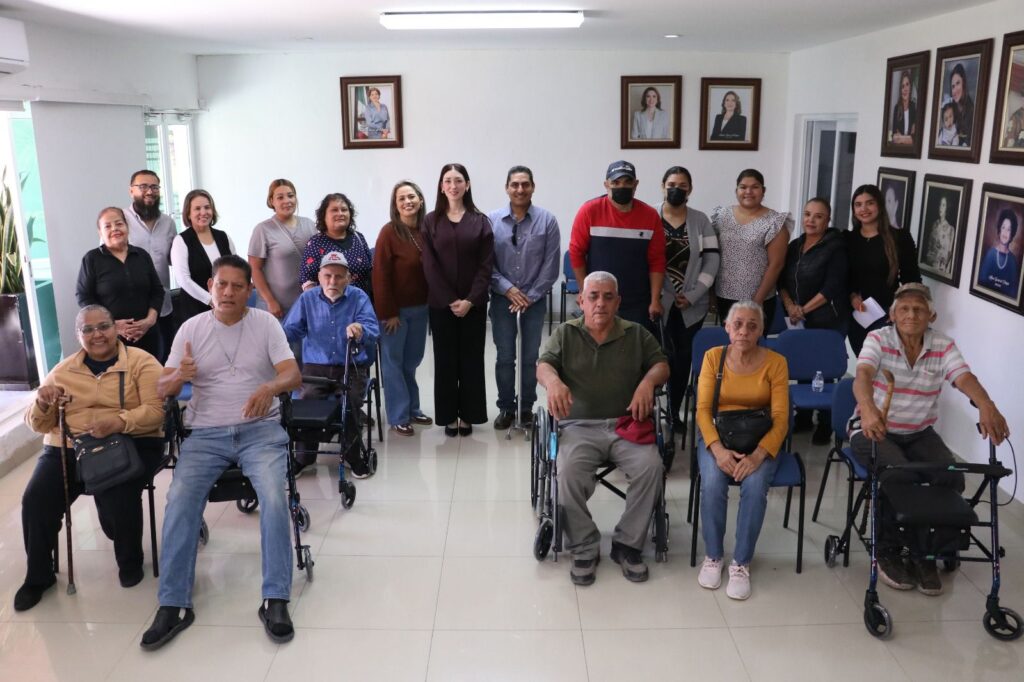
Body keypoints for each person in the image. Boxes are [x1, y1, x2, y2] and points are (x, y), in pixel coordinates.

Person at [141, 254, 301, 650]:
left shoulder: (265, 324)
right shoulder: (191, 329)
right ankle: (173, 604)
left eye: (237, 286)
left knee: (274, 498)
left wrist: (269, 387)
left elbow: (292, 374)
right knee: (179, 498)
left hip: (260, 431)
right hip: (206, 434)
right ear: (210, 287)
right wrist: (179, 376)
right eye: (221, 285)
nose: (227, 292)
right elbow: (162, 389)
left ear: (250, 291)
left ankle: (275, 598)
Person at [851, 283, 1008, 596]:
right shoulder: (878, 339)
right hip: (873, 429)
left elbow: (963, 377)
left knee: (950, 477)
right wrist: (867, 408)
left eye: (919, 309)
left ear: (931, 316)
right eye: (904, 309)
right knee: (898, 474)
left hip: (919, 432)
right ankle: (888, 550)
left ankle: (925, 552)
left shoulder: (942, 345)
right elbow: (863, 375)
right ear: (892, 315)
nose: (911, 315)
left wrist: (986, 404)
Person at [15, 305, 164, 612]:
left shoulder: (142, 362)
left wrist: (119, 422)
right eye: (88, 329)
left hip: (128, 442)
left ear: (116, 328)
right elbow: (37, 425)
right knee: (36, 499)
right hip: (67, 447)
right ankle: (39, 576)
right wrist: (42, 403)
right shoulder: (62, 371)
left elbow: (155, 412)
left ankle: (129, 561)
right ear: (78, 335)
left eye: (104, 326)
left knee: (118, 494)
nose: (97, 334)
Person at [536, 271, 669, 586]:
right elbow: (544, 365)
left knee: (651, 466)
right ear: (581, 301)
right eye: (593, 296)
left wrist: (647, 382)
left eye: (608, 297)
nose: (600, 303)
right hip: (578, 427)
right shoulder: (565, 334)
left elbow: (661, 365)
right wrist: (553, 381)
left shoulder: (636, 334)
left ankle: (627, 544)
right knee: (567, 471)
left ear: (618, 302)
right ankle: (584, 546)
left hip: (626, 425)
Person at [695, 301, 789, 601]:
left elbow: (781, 418)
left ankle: (741, 562)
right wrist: (718, 451)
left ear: (761, 330)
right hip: (718, 436)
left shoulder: (776, 362)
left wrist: (759, 455)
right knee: (712, 483)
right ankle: (713, 556)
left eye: (752, 325)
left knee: (756, 484)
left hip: (760, 439)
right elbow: (701, 411)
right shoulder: (713, 357)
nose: (744, 331)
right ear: (726, 327)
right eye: (737, 324)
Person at [283, 251, 379, 474]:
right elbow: (290, 330)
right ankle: (303, 458)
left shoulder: (359, 297)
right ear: (319, 276)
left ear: (348, 278)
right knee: (305, 401)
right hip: (315, 367)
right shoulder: (307, 298)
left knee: (349, 404)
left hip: (351, 365)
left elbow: (373, 330)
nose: (332, 281)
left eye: (338, 276)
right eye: (327, 276)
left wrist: (360, 329)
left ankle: (354, 456)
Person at [420, 163, 494, 436]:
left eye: (458, 180)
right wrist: (451, 300)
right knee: (445, 360)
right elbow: (429, 265)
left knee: (472, 360)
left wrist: (470, 300)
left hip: (474, 305)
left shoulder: (480, 221)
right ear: (441, 186)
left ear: (467, 185)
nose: (453, 185)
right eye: (448, 180)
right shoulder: (430, 221)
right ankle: (449, 415)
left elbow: (486, 265)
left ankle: (470, 415)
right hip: (441, 305)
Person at [488, 165, 560, 430]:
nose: (520, 189)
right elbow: (486, 263)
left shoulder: (547, 220)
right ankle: (507, 407)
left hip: (534, 301)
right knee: (505, 357)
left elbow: (551, 265)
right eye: (515, 184)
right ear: (507, 188)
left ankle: (526, 407)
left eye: (525, 184)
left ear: (533, 187)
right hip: (501, 300)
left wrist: (529, 296)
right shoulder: (492, 220)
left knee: (530, 357)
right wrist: (508, 289)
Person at [778, 197, 849, 445]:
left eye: (818, 216)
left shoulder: (836, 247)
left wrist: (803, 310)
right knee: (803, 365)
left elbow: (832, 286)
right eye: (808, 214)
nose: (811, 220)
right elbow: (782, 282)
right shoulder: (795, 246)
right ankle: (804, 418)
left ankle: (826, 423)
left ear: (827, 220)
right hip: (798, 316)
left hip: (828, 318)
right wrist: (790, 306)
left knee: (824, 371)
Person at [657, 165, 720, 435]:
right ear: (662, 186)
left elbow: (712, 261)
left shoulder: (700, 220)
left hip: (691, 305)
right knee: (655, 357)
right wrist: (655, 295)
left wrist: (694, 295)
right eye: (671, 185)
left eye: (682, 186)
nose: (676, 190)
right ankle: (648, 411)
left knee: (682, 359)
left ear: (690, 189)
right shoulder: (650, 216)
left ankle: (674, 411)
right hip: (657, 302)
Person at [568, 160, 665, 329]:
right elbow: (576, 252)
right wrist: (584, 290)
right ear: (606, 185)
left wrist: (655, 300)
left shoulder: (650, 215)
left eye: (628, 182)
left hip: (637, 301)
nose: (622, 186)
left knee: (634, 344)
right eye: (616, 182)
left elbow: (657, 260)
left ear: (636, 184)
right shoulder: (589, 211)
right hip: (599, 300)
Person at [372, 180, 434, 436]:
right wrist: (389, 313)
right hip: (395, 313)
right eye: (402, 198)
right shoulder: (389, 233)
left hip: (421, 309)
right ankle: (398, 415)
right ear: (395, 205)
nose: (408, 202)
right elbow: (380, 275)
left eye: (411, 197)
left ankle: (412, 409)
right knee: (393, 364)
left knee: (411, 362)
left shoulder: (427, 230)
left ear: (420, 200)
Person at [77, 207, 165, 358]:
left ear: (127, 227)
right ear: (100, 232)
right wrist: (113, 325)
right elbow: (84, 297)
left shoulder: (142, 255)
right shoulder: (92, 259)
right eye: (107, 226)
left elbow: (157, 291)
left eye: (119, 224)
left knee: (152, 372)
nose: (114, 229)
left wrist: (149, 321)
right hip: (110, 339)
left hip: (148, 334)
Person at [846, 184, 921, 356]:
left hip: (889, 314)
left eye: (870, 203)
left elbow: (912, 279)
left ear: (879, 205)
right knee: (864, 365)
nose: (864, 209)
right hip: (858, 315)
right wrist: (852, 296)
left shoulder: (899, 237)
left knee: (885, 366)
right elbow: (844, 277)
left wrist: (901, 308)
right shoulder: (848, 239)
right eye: (858, 204)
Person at [711, 169, 790, 327]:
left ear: (763, 191)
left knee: (754, 340)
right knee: (730, 339)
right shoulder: (722, 216)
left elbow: (776, 265)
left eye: (755, 187)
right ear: (736, 191)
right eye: (743, 187)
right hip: (724, 296)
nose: (748, 192)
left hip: (758, 299)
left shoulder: (774, 221)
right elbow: (713, 255)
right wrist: (710, 293)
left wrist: (757, 301)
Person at [124, 170, 177, 362]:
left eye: (154, 187)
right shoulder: (121, 220)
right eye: (143, 186)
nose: (149, 191)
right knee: (136, 363)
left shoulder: (168, 223)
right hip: (131, 310)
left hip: (163, 305)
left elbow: (174, 259)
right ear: (131, 191)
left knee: (166, 359)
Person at [248, 178, 317, 320]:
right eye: (280, 197)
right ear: (271, 201)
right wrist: (270, 301)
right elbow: (255, 269)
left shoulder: (309, 225)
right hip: (276, 308)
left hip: (306, 306)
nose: (287, 201)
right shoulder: (263, 230)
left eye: (291, 196)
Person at [170, 189, 235, 325]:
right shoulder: (181, 241)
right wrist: (211, 299)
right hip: (195, 310)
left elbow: (236, 270)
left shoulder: (223, 237)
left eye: (207, 207)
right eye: (197, 209)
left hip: (226, 307)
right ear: (188, 214)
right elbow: (183, 279)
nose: (203, 212)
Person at [300, 193, 372, 298]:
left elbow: (371, 270)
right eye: (334, 210)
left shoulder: (358, 238)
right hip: (330, 306)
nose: (340, 213)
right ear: (324, 216)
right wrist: (317, 304)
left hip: (362, 304)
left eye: (344, 210)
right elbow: (307, 281)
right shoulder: (316, 243)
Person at [977, 208, 1021, 297]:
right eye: (1003, 227)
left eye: (1009, 229)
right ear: (999, 229)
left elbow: (1013, 293)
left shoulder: (1012, 261)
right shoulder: (990, 254)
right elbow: (981, 283)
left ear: (1012, 234)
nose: (1005, 232)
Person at [924, 195, 955, 274]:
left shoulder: (950, 229)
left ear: (947, 208)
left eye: (943, 205)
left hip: (941, 270)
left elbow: (949, 253)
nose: (941, 207)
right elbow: (929, 248)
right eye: (940, 204)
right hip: (930, 266)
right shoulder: (934, 225)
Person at [947, 62, 975, 147]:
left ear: (964, 83)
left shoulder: (971, 110)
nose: (955, 90)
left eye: (958, 83)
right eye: (953, 86)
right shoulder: (950, 108)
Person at [890, 70, 917, 145]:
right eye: (902, 86)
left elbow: (914, 137)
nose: (905, 89)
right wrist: (907, 138)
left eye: (907, 84)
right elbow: (895, 137)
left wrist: (901, 138)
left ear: (910, 87)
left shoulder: (913, 107)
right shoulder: (897, 108)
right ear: (900, 90)